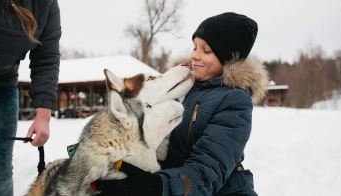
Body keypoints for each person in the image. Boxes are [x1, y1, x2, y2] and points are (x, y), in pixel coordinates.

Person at [92, 12, 269, 196]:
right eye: (194, 47)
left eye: (206, 50)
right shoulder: (185, 89)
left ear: (228, 58)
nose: (195, 56)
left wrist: (158, 185)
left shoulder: (234, 101)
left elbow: (208, 170)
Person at [0, 0, 61, 195]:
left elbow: (46, 58)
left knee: (0, 170)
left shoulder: (46, 4)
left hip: (3, 86)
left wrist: (43, 116)